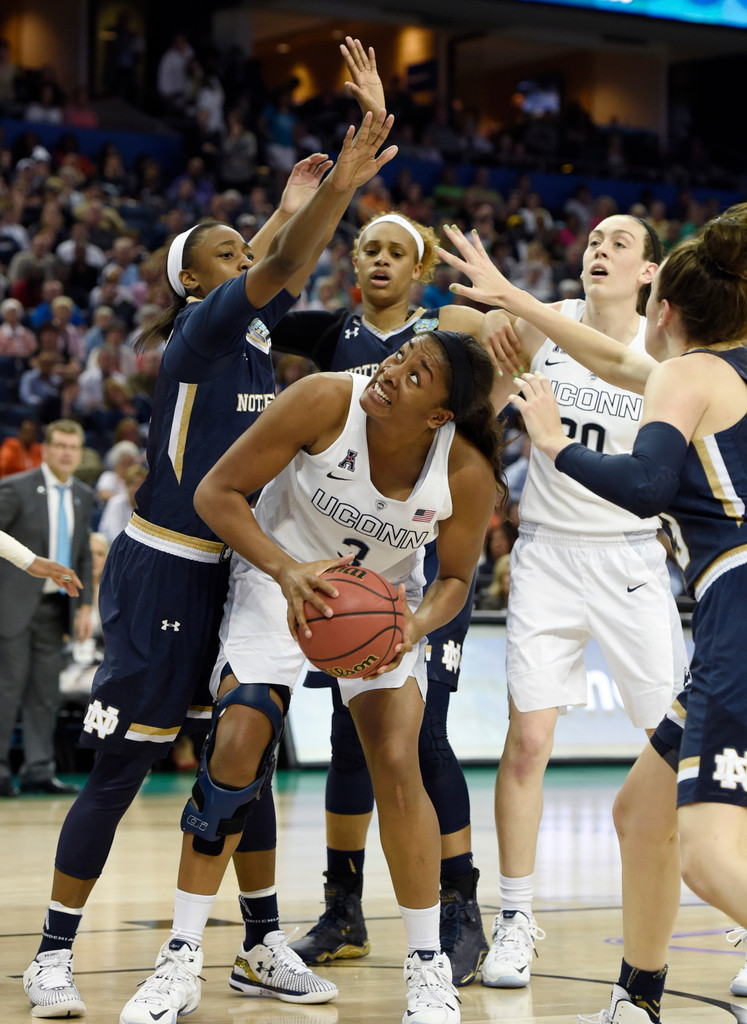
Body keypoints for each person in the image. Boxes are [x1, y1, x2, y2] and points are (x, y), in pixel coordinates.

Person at [22, 102, 397, 1020]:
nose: (244, 257)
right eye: (225, 253)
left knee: (245, 753)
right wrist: (336, 194)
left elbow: (269, 263)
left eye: (243, 248)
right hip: (166, 567)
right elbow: (277, 267)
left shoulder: (255, 337)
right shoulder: (199, 333)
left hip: (238, 569)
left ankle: (260, 944)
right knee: (120, 769)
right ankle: (51, 954)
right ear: (191, 281)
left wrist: (290, 208)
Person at [439, 210, 747, 1022]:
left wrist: (554, 446)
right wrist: (512, 299)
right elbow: (609, 359)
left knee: (707, 856)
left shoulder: (690, 373)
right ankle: (634, 998)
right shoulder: (719, 370)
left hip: (717, 592)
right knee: (640, 812)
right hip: (600, 568)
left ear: (662, 307)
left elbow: (644, 485)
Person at [265, 37, 515, 988]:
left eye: (393, 251)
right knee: (346, 739)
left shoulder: (443, 334)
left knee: (423, 736)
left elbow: (497, 350)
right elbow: (254, 298)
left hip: (417, 571)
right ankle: (342, 906)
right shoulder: (328, 334)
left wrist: (490, 305)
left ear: (418, 272)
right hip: (338, 567)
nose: (375, 259)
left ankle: (457, 905)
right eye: (365, 247)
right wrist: (301, 207)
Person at [181, 328, 503, 1024]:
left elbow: (453, 580)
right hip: (279, 576)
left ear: (439, 415)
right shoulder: (324, 399)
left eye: (416, 376)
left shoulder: (464, 469)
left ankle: (427, 968)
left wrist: (413, 626)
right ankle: (179, 957)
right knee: (239, 740)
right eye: (400, 357)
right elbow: (216, 492)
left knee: (398, 759)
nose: (393, 371)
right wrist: (285, 569)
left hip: (378, 608)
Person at [0, 419, 93, 798]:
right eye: (60, 446)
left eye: (74, 447)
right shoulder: (15, 487)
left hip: (56, 607)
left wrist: (85, 605)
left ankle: (39, 770)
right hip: (12, 605)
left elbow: (83, 554)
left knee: (45, 693)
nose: (67, 453)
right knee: (7, 689)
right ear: (46, 449)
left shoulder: (83, 495)